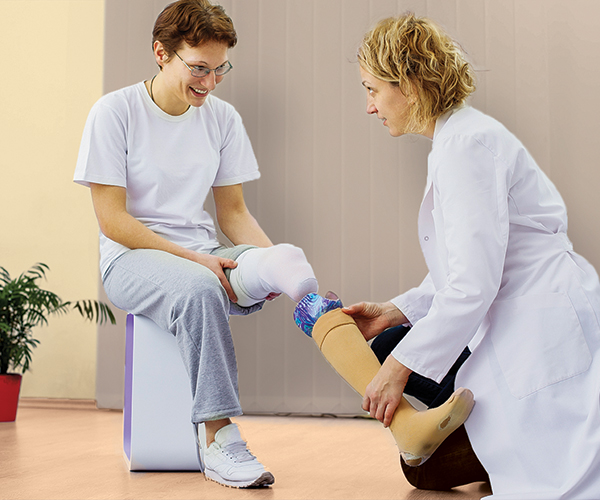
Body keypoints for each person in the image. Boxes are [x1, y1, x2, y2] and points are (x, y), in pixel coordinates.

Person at [298, 13, 600, 499]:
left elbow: (473, 283)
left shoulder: (465, 147)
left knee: (560, 485)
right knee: (392, 343)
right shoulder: (460, 139)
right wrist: (396, 312)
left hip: (538, 325)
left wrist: (398, 368)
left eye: (372, 89)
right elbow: (469, 267)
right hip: (529, 318)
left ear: (411, 85)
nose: (369, 107)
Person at [73, 0, 318, 489]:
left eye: (219, 69)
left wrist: (266, 258)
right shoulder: (115, 113)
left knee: (281, 257)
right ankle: (219, 439)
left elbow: (233, 214)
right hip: (133, 259)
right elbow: (113, 221)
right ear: (162, 53)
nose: (209, 82)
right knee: (201, 289)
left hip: (205, 256)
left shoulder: (222, 119)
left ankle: (293, 291)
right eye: (199, 68)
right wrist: (197, 262)